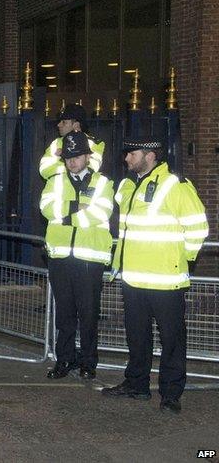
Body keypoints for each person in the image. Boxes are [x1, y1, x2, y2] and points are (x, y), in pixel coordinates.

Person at [101, 136, 208, 414]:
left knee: (172, 340)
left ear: (149, 155)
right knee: (137, 337)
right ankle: (136, 385)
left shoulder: (175, 185)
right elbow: (124, 231)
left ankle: (171, 394)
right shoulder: (127, 186)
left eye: (131, 153)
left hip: (166, 280)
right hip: (133, 279)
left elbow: (197, 228)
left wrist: (181, 260)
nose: (126, 158)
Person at [39, 131, 114, 380]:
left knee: (89, 314)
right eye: (69, 157)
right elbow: (47, 209)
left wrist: (66, 216)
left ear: (87, 157)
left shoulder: (102, 183)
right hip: (60, 257)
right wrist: (77, 209)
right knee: (65, 314)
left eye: (77, 156)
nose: (72, 161)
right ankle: (65, 360)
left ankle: (88, 361)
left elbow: (100, 213)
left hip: (89, 260)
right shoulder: (55, 181)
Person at [38, 103, 105, 178]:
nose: (59, 125)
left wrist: (60, 160)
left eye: (64, 122)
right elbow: (44, 169)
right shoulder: (56, 143)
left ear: (76, 125)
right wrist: (72, 169)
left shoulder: (93, 143)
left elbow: (91, 168)